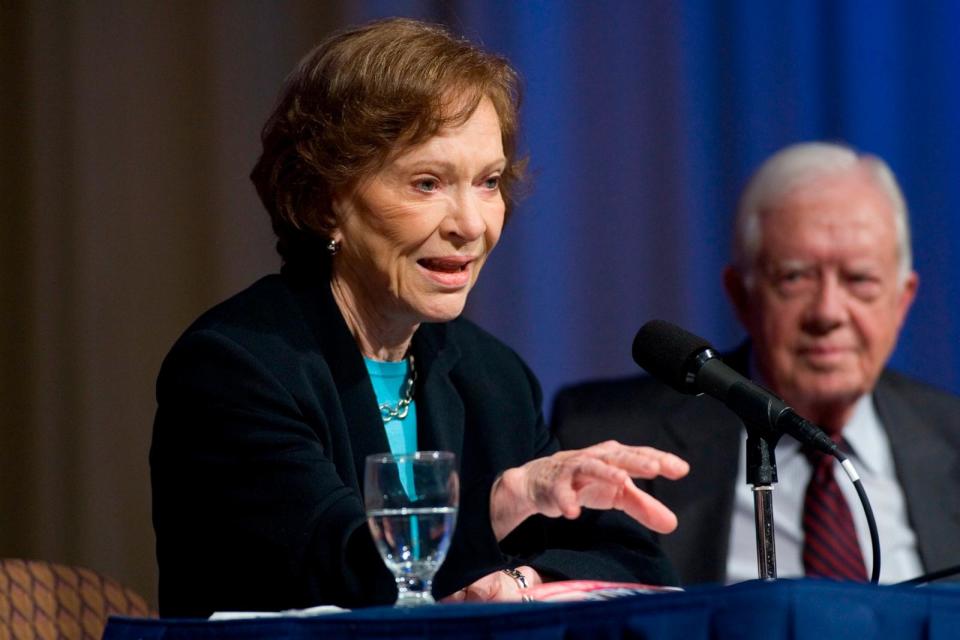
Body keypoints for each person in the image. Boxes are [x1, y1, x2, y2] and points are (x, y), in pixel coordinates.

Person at [150, 17, 689, 618]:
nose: (471, 225)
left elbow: (633, 563)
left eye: (488, 183)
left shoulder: (492, 376)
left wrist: (524, 581)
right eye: (428, 183)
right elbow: (333, 571)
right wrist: (502, 504)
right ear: (324, 200)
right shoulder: (237, 367)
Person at [553, 142, 960, 585]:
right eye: (794, 277)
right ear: (741, 296)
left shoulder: (951, 437)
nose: (827, 312)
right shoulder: (611, 437)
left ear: (903, 301)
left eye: (860, 279)